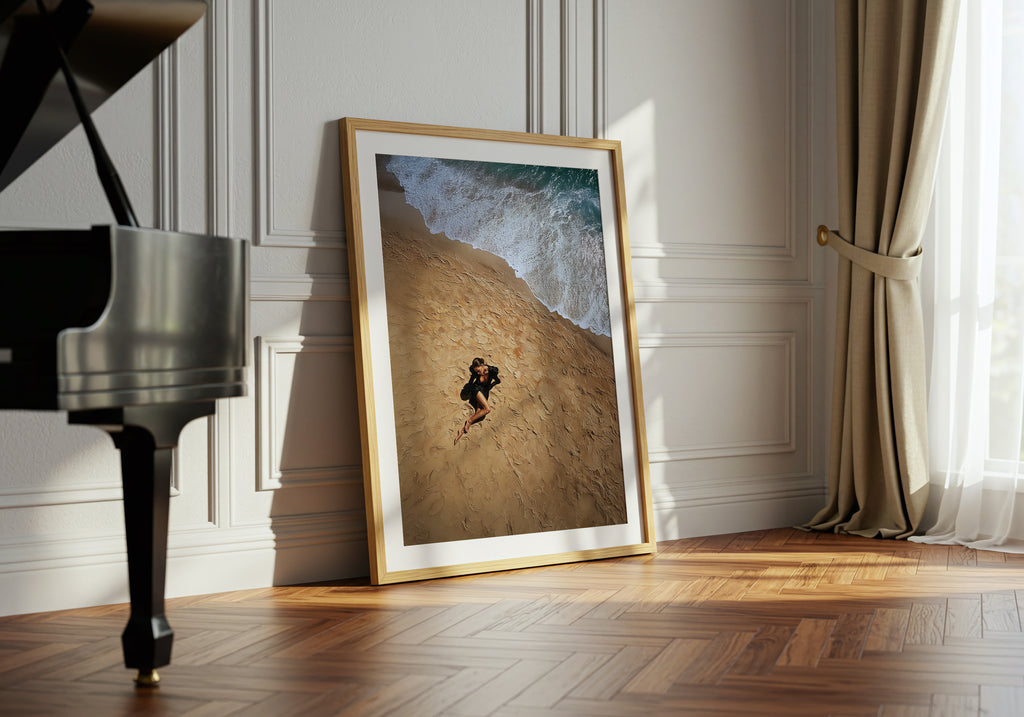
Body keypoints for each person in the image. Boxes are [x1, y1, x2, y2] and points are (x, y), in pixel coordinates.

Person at [454, 357, 501, 444]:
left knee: (479, 413)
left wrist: (490, 375)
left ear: (482, 365)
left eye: (478, 370)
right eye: (476, 371)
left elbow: (497, 373)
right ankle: (469, 421)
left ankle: (462, 430)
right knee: (487, 409)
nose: (477, 373)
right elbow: (471, 382)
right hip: (477, 390)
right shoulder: (476, 374)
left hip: (484, 391)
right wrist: (468, 390)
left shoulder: (490, 369)